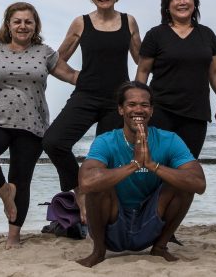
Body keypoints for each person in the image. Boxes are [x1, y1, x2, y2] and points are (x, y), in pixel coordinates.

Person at [0, 2, 78, 249]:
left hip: (32, 123)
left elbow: (72, 75)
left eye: (28, 22)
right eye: (17, 21)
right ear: (8, 25)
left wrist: (105, 81)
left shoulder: (45, 53)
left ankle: (13, 236)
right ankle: (5, 192)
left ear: (35, 26)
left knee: (21, 179)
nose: (23, 26)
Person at [41, 0, 141, 220]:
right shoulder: (80, 22)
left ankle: (109, 216)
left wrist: (138, 94)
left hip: (116, 102)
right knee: (53, 141)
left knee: (107, 159)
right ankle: (80, 192)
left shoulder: (129, 21)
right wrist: (76, 76)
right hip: (85, 95)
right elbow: (56, 61)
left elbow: (142, 61)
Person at [75, 81, 206, 267]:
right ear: (121, 109)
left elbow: (199, 183)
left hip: (150, 224)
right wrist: (134, 164)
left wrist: (153, 165)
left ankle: (160, 247)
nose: (138, 110)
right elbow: (86, 183)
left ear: (151, 110)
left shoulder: (169, 140)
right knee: (99, 186)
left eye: (144, 105)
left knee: (183, 184)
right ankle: (98, 252)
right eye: (131, 104)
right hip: (113, 226)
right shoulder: (106, 141)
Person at [135, 0, 216, 159]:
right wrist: (139, 105)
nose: (182, 2)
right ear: (167, 5)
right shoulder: (155, 35)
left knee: (187, 170)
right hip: (160, 112)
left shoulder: (207, 35)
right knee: (158, 168)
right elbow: (143, 72)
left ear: (195, 2)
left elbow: (214, 72)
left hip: (196, 114)